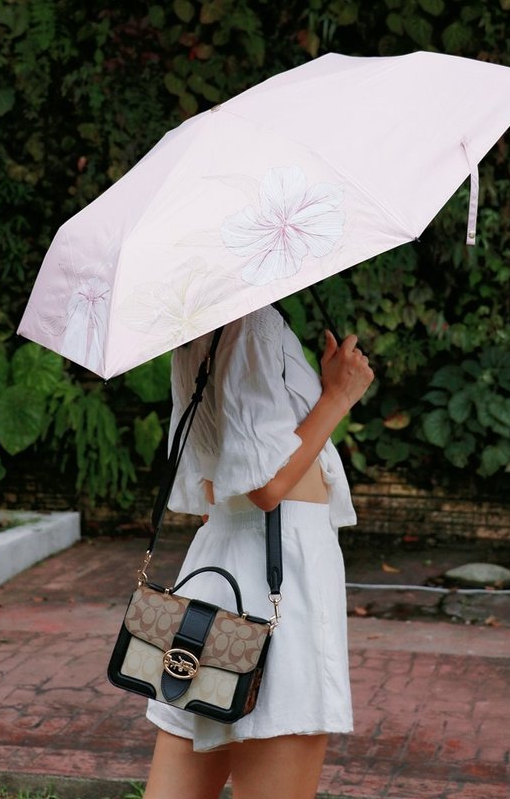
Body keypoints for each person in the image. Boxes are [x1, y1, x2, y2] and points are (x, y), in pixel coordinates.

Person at [144, 303, 374, 799]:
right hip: (280, 574)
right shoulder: (254, 322)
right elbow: (267, 487)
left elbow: (209, 490)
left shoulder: (192, 332)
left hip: (216, 566)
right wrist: (339, 394)